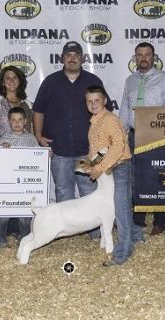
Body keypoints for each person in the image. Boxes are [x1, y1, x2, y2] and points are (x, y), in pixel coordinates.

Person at [32, 41, 112, 238]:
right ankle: (63, 233)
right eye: (68, 55)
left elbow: (104, 111)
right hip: (59, 150)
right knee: (63, 192)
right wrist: (38, 136)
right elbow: (38, 110)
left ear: (82, 58)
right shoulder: (50, 82)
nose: (72, 58)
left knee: (89, 192)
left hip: (87, 151)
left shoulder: (93, 80)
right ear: (62, 58)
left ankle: (94, 234)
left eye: (76, 54)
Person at [119, 42, 165, 235]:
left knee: (160, 178)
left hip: (158, 136)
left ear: (153, 57)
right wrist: (121, 134)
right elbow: (124, 110)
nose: (143, 58)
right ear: (135, 58)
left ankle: (160, 221)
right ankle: (138, 219)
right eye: (140, 55)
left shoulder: (164, 79)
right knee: (136, 180)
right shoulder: (130, 81)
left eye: (147, 55)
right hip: (134, 136)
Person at [85, 85, 144, 266]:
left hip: (118, 167)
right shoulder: (94, 121)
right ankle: (135, 235)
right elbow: (95, 149)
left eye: (97, 100)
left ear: (105, 101)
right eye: (89, 101)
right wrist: (92, 165)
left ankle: (122, 254)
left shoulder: (109, 119)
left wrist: (100, 167)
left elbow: (118, 147)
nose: (93, 104)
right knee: (117, 208)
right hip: (106, 170)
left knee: (121, 209)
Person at [0, 66, 33, 238]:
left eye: (15, 77)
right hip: (2, 159)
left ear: (20, 81)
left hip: (24, 163)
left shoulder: (27, 104)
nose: (11, 80)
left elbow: (31, 134)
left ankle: (18, 231)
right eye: (7, 77)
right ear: (2, 82)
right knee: (5, 195)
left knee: (21, 194)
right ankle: (0, 234)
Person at [0, 107, 39, 248]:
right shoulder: (3, 139)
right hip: (7, 183)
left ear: (25, 121)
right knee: (4, 214)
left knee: (25, 214)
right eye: (13, 120)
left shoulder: (31, 139)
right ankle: (0, 239)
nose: (17, 123)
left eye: (20, 119)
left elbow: (39, 156)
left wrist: (46, 156)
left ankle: (23, 239)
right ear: (9, 122)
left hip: (25, 184)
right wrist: (2, 148)